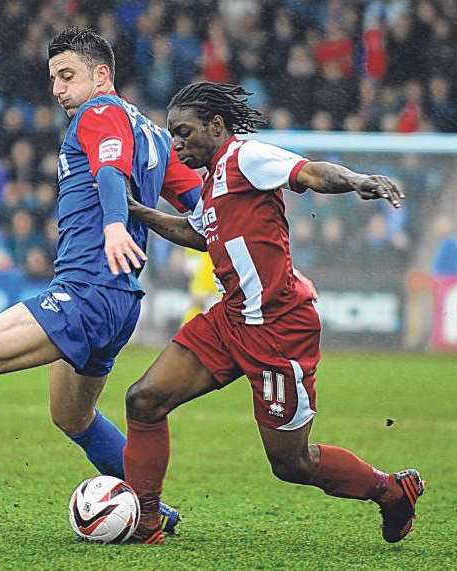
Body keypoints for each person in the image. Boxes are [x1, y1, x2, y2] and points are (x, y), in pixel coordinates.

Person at [0, 27, 202, 539]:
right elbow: (202, 210)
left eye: (67, 75)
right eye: (53, 77)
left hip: (85, 292)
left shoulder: (100, 113)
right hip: (120, 303)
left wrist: (115, 224)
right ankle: (148, 508)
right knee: (72, 415)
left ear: (103, 75)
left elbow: (108, 174)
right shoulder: (155, 136)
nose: (57, 88)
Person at [121, 81, 423, 545]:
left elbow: (310, 172)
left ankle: (391, 492)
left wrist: (359, 180)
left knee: (291, 464)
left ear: (215, 126)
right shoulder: (211, 181)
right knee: (144, 399)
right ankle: (145, 521)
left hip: (279, 331)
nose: (176, 143)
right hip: (231, 320)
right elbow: (196, 233)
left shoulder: (246, 157)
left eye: (183, 132)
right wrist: (136, 210)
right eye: (172, 135)